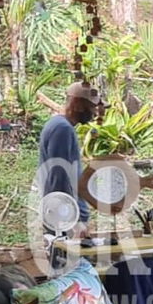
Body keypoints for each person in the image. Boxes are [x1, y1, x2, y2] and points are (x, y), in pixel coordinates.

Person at [39, 82, 104, 231]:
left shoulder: (58, 125)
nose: (95, 113)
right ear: (78, 105)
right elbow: (60, 176)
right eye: (92, 107)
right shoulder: (62, 129)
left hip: (63, 212)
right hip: (66, 215)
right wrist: (73, 220)